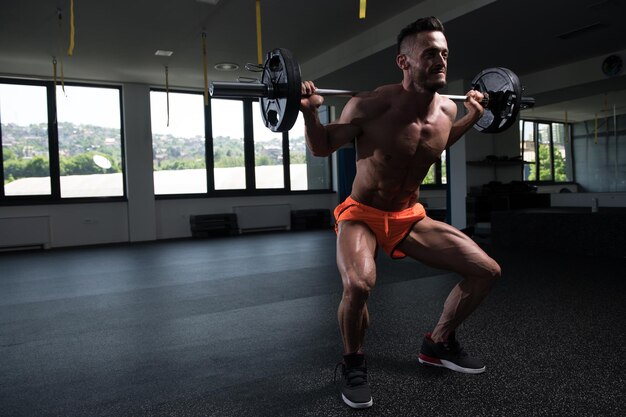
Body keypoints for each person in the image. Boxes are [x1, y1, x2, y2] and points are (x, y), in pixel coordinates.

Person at [299, 16, 502, 409]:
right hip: (363, 213)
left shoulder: (446, 110)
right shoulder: (369, 105)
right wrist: (310, 113)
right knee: (359, 284)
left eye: (444, 53)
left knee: (486, 271)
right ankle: (354, 363)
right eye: (429, 53)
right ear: (404, 62)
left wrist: (472, 118)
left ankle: (438, 343)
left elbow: (435, 144)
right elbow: (322, 147)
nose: (440, 61)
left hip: (409, 215)